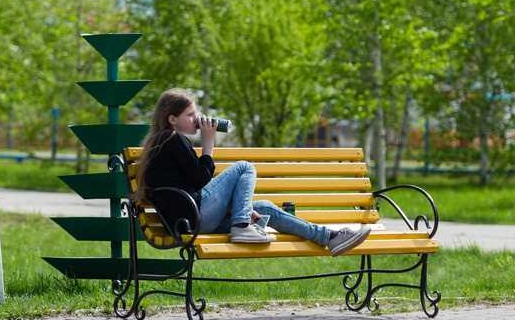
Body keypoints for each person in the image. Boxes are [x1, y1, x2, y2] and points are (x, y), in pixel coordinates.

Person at [135, 88, 370, 255]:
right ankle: (241, 226)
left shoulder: (164, 142)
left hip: (191, 220)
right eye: (190, 115)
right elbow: (200, 180)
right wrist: (208, 144)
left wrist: (240, 208)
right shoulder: (171, 139)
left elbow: (195, 186)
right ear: (172, 119)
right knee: (244, 167)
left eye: (196, 113)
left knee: (265, 207)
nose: (197, 119)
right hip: (193, 218)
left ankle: (329, 238)